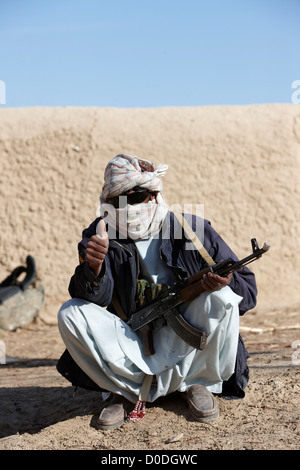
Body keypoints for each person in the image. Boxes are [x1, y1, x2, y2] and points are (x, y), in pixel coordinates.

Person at [57, 154, 257, 430]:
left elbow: (247, 293)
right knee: (70, 313)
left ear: (153, 195)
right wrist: (94, 268)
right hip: (132, 337)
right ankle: (124, 390)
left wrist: (225, 281)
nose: (127, 207)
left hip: (187, 341)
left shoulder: (191, 232)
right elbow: (94, 300)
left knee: (222, 298)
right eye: (118, 201)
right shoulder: (102, 233)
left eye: (135, 197)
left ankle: (198, 382)